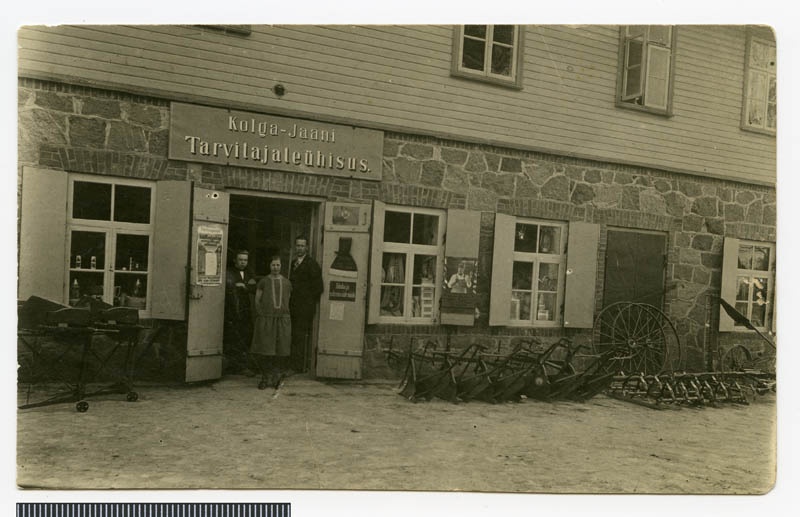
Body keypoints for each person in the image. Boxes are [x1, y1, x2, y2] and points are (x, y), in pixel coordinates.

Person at [251, 255, 293, 389]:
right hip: (267, 320)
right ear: (269, 266)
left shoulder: (287, 283)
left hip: (282, 320)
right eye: (273, 265)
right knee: (266, 349)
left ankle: (276, 378)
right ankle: (265, 378)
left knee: (281, 350)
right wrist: (262, 315)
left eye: (278, 265)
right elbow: (257, 301)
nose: (276, 267)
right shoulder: (263, 282)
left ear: (281, 266)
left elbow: (288, 301)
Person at [289, 235, 324, 373]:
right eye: (298, 245)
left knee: (300, 335)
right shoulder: (293, 263)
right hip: (294, 306)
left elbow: (318, 288)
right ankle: (294, 364)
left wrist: (307, 300)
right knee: (294, 335)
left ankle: (298, 367)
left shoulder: (311, 264)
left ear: (307, 248)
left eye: (302, 246)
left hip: (305, 307)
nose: (299, 248)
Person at [223, 249, 257, 374]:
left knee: (245, 336)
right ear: (235, 260)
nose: (243, 262)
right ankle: (234, 367)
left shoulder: (249, 272)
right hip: (232, 309)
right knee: (233, 338)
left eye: (245, 260)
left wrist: (245, 286)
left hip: (245, 310)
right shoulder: (229, 272)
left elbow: (254, 286)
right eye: (240, 260)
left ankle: (243, 366)